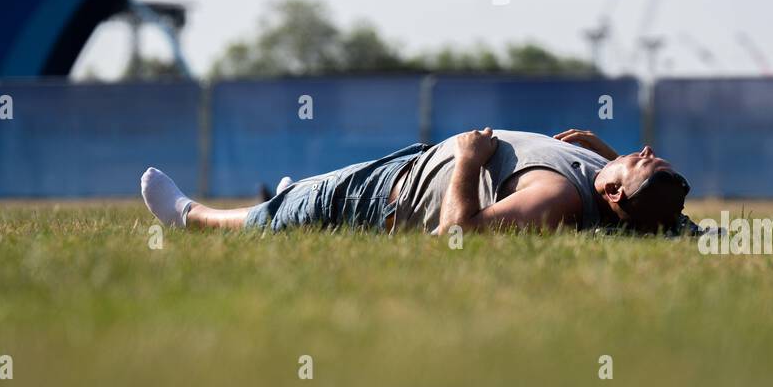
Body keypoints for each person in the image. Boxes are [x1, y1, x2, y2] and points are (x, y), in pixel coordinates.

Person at [140, 127, 692, 236]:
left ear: (615, 192)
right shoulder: (608, 183)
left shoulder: (556, 197)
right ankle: (294, 194)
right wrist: (603, 155)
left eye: (645, 161)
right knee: (304, 193)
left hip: (385, 197)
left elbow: (460, 234)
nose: (644, 151)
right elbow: (653, 210)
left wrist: (471, 159)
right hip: (406, 168)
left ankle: (190, 217)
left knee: (273, 219)